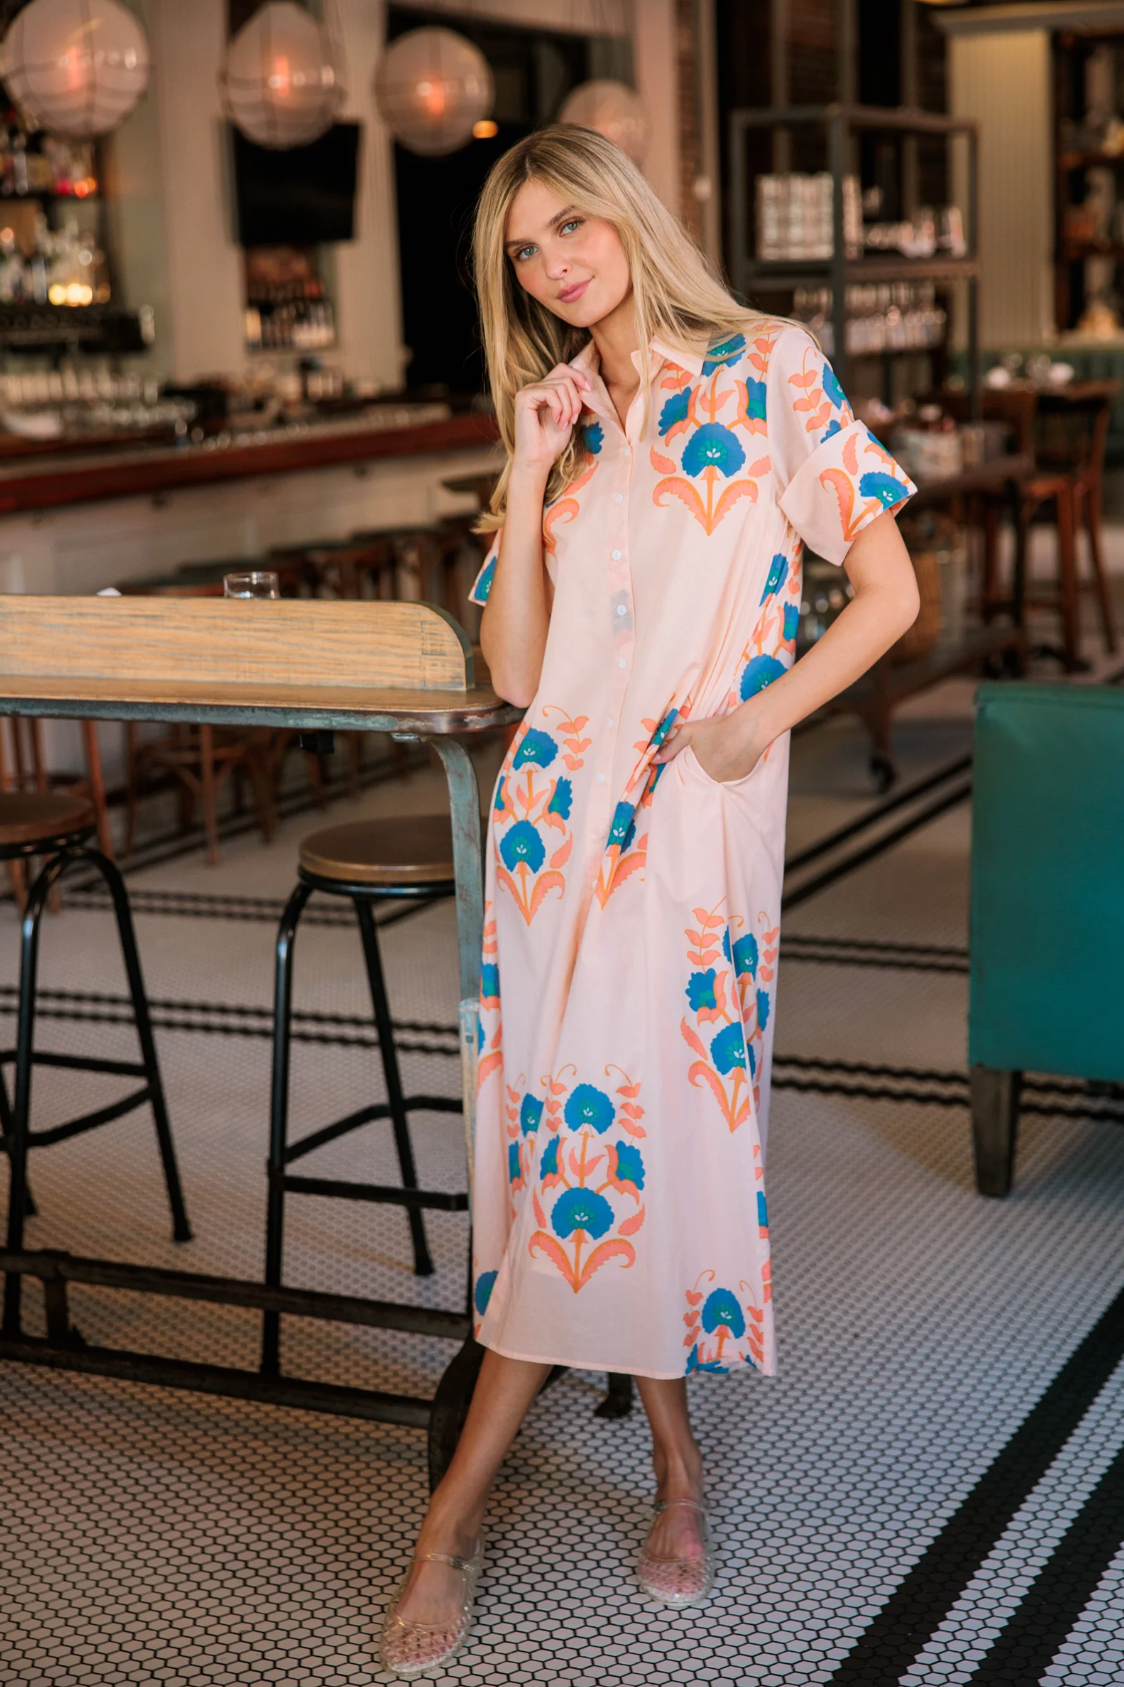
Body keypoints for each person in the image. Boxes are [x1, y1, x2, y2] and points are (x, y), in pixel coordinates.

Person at [380, 125, 918, 1678]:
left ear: (625, 214)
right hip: (549, 832)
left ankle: (450, 1519)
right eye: (523, 250)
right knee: (581, 1148)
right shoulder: (556, 420)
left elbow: (892, 593)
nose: (553, 263)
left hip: (689, 821)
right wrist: (528, 463)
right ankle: (676, 1467)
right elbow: (515, 673)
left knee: (599, 1139)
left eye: (570, 226)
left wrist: (758, 722)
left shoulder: (768, 369)